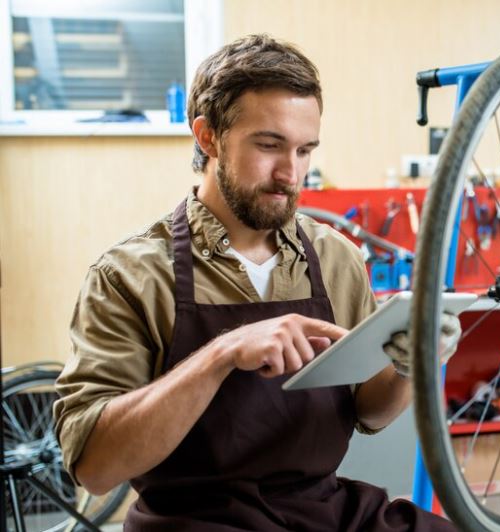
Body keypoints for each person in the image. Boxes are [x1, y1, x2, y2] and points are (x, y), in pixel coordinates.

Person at [54, 34, 460, 531]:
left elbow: (369, 414)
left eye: (305, 150)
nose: (291, 174)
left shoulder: (336, 258)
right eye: (269, 145)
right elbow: (96, 468)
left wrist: (408, 364)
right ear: (208, 137)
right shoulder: (131, 276)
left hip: (322, 512)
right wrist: (221, 354)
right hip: (195, 521)